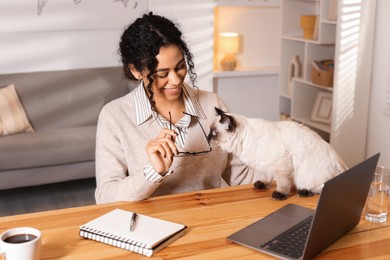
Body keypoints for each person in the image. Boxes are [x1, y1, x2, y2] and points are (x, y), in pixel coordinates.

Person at [95, 12, 263, 204]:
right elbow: (105, 197)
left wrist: (286, 162)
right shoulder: (114, 116)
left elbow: (239, 175)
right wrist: (153, 173)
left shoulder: (212, 105)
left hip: (209, 220)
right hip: (148, 228)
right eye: (162, 73)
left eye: (180, 66)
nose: (175, 80)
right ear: (135, 70)